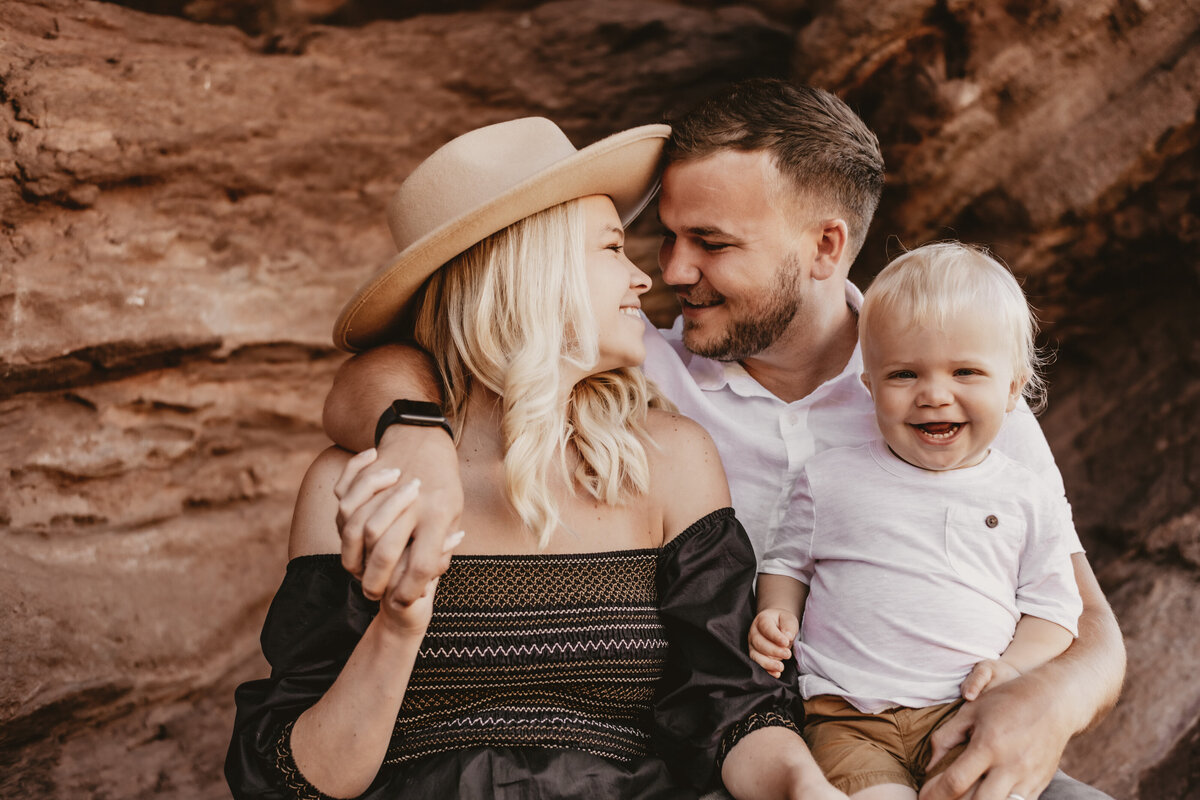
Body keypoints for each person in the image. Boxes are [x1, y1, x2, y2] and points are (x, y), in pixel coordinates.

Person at [321, 79, 1125, 800]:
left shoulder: (943, 397)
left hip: (939, 724)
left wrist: (1042, 703)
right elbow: (401, 362)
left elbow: (1082, 619)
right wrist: (413, 436)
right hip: (745, 750)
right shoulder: (642, 377)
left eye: (711, 242)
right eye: (664, 237)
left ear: (825, 246)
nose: (672, 269)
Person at [226, 116, 842, 799]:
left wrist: (802, 787)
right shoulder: (359, 485)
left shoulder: (670, 460)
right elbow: (288, 782)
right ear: (528, 269)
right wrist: (399, 626)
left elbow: (731, 709)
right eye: (613, 247)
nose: (645, 278)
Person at [749, 242, 1084, 798]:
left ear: (1011, 389)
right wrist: (776, 612)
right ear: (870, 387)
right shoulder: (829, 479)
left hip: (967, 712)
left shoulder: (1028, 496)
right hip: (848, 716)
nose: (934, 394)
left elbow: (1054, 610)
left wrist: (1013, 669)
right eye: (904, 373)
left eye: (965, 371)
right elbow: (788, 562)